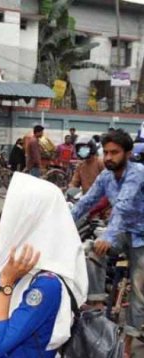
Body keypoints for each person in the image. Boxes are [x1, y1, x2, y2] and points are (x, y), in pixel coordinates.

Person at [0, 173, 87, 357]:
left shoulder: (47, 284)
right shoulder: (29, 268)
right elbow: (16, 314)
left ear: (32, 221)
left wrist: (6, 285)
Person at [72, 129, 144, 357]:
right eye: (107, 152)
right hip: (122, 232)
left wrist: (108, 237)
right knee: (92, 250)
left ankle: (129, 345)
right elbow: (86, 202)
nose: (109, 157)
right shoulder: (105, 177)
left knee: (139, 291)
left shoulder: (138, 173)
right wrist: (63, 222)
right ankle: (96, 304)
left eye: (115, 152)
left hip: (141, 236)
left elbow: (122, 206)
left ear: (128, 153)